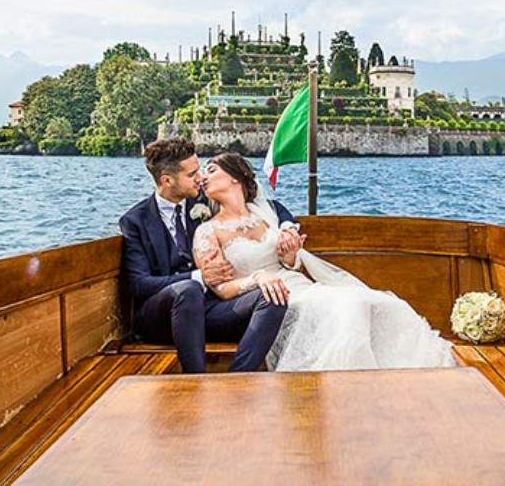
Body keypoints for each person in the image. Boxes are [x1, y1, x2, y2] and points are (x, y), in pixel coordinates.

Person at [195, 153, 456, 371]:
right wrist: (256, 278)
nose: (203, 176)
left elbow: (290, 263)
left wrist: (289, 253)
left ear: (235, 177)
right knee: (349, 307)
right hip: (267, 300)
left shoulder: (266, 216)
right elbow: (220, 288)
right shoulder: (207, 230)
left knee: (376, 301)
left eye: (211, 169)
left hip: (300, 285)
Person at [119, 137, 302, 373]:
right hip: (162, 317)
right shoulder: (136, 221)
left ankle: (236, 378)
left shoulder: (202, 196)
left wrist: (287, 228)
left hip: (211, 308)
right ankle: (196, 380)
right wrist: (199, 277)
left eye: (200, 170)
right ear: (167, 180)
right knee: (189, 289)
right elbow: (139, 284)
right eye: (192, 174)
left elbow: (271, 206)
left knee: (273, 294)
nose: (201, 177)